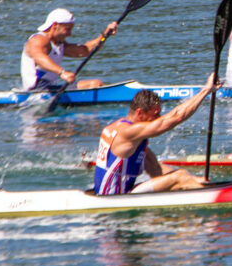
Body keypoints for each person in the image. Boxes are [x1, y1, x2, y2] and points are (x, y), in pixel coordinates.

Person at [93, 76, 221, 196]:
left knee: (181, 176)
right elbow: (176, 117)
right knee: (180, 177)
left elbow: (155, 169)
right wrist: (206, 90)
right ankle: (219, 199)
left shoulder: (121, 132)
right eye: (155, 114)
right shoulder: (128, 132)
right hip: (114, 197)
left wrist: (193, 179)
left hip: (119, 192)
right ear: (140, 113)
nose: (158, 118)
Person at [20, 8, 119, 91]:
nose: (69, 34)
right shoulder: (39, 40)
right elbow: (39, 58)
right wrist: (62, 73)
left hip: (50, 88)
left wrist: (106, 34)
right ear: (55, 26)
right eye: (67, 29)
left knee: (96, 84)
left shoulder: (58, 43)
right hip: (37, 90)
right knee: (95, 84)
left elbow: (85, 50)